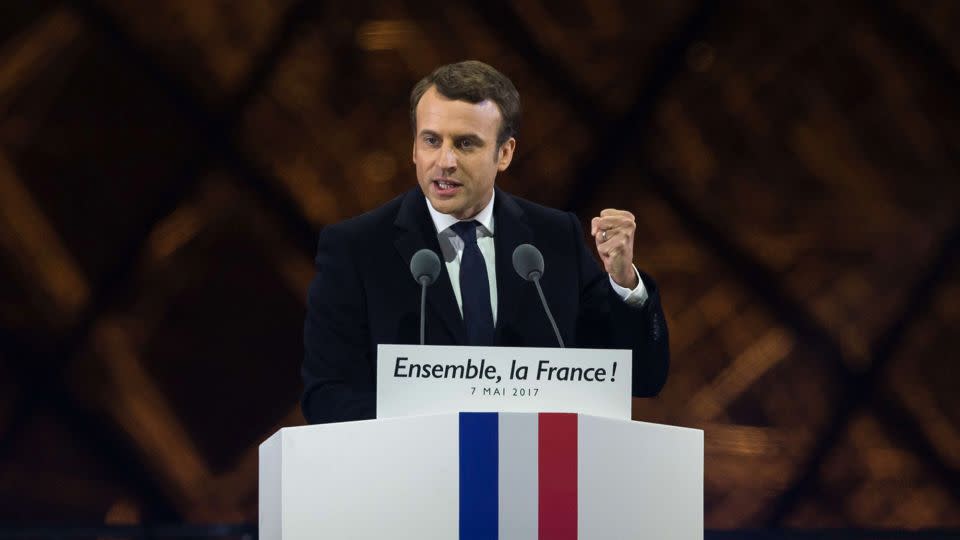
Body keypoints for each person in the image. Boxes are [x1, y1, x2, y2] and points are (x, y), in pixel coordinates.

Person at [302, 60, 669, 424]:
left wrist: (624, 283)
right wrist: (435, 430)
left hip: (536, 473)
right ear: (414, 148)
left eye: (465, 144)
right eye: (431, 141)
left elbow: (642, 378)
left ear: (504, 153)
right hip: (414, 474)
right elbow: (327, 396)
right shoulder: (357, 249)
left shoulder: (555, 239)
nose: (444, 161)